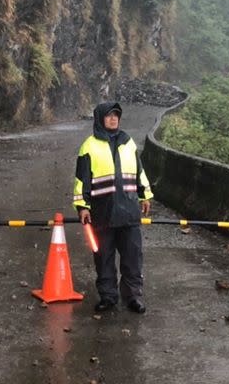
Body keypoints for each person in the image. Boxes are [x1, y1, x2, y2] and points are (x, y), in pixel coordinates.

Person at [73, 101, 153, 313]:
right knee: (104, 257)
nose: (113, 118)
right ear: (100, 118)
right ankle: (108, 297)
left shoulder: (128, 143)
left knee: (132, 257)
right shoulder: (88, 146)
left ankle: (133, 296)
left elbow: (139, 172)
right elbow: (82, 179)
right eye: (109, 115)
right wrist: (82, 206)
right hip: (102, 213)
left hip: (128, 211)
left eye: (116, 115)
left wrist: (145, 196)